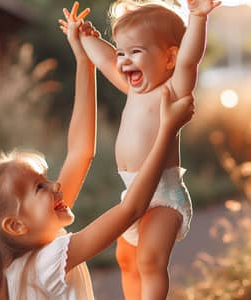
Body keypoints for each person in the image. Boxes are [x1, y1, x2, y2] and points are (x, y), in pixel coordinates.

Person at [0, 5, 193, 300]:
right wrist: (168, 130)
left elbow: (80, 152)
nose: (56, 186)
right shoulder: (46, 262)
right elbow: (132, 207)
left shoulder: (18, 259)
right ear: (15, 225)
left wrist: (84, 61)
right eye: (40, 187)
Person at [59, 0, 219, 299]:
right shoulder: (133, 87)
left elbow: (189, 60)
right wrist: (83, 37)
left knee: (149, 260)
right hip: (132, 193)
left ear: (169, 57)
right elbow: (105, 60)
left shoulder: (171, 91)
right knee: (127, 260)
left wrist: (198, 18)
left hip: (164, 197)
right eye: (122, 52)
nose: (124, 61)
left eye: (136, 52)